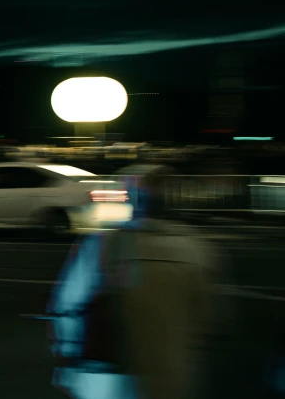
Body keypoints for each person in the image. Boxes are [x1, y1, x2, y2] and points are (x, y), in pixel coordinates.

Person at [46, 165, 232, 399]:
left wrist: (66, 360)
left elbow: (68, 308)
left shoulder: (103, 245)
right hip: (173, 378)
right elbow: (211, 322)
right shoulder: (196, 249)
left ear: (131, 199)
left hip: (108, 378)